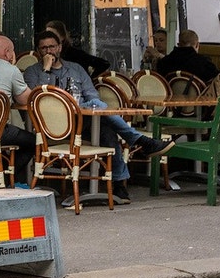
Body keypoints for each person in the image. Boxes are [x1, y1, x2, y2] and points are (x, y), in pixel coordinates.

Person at [24, 29, 174, 204]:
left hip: (82, 121)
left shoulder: (76, 69)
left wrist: (83, 106)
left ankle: (118, 185)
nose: (49, 51)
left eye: (52, 47)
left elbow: (92, 94)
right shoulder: (32, 72)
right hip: (51, 126)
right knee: (103, 118)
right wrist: (46, 69)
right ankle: (140, 141)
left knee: (106, 129)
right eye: (44, 48)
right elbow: (37, 96)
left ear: (59, 48)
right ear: (38, 50)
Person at [0, 31, 36, 184]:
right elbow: (27, 99)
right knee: (33, 141)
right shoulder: (11, 70)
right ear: (7, 53)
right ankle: (5, 178)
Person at [44, 20, 110, 79]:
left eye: (52, 35)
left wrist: (90, 80)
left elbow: (103, 64)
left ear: (62, 37)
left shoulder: (75, 54)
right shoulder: (46, 54)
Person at [155, 29, 220, 85]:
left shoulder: (163, 63)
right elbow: (216, 80)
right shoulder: (205, 64)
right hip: (198, 96)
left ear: (178, 44)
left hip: (170, 95)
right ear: (197, 45)